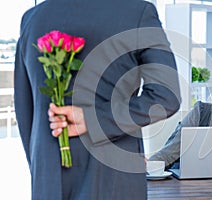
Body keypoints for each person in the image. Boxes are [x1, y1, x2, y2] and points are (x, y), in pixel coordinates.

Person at [14, 0, 181, 199]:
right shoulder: (137, 12)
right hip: (115, 177)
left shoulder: (33, 18)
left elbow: (25, 111)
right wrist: (93, 119)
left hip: (48, 177)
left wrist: (41, 166)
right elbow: (165, 96)